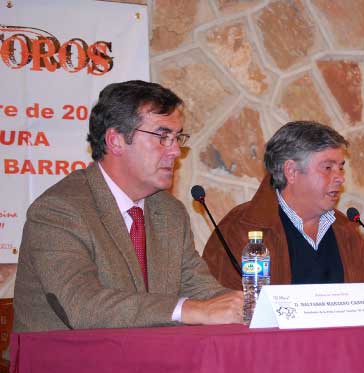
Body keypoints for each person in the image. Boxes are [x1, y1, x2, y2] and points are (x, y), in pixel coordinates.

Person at [13, 80, 243, 333]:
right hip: (68, 366)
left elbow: (203, 291)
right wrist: (190, 310)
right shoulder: (59, 210)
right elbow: (81, 306)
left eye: (177, 138)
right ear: (116, 141)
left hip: (145, 361)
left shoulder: (169, 212)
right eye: (163, 137)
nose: (176, 151)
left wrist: (255, 308)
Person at [202, 121, 364, 301]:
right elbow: (223, 310)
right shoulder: (240, 229)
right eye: (328, 168)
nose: (340, 178)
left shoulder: (345, 229)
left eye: (341, 168)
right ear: (291, 171)